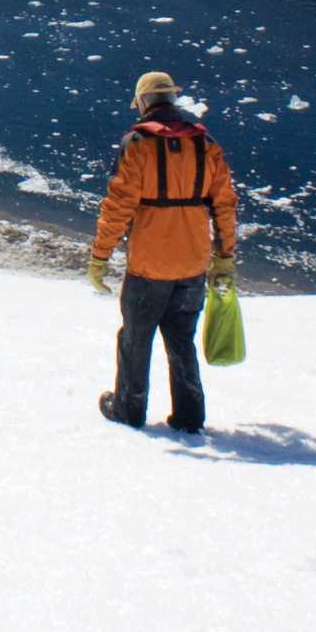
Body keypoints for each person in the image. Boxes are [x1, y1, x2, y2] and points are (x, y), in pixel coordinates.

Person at [87, 70, 238, 432]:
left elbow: (118, 207)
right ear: (172, 100)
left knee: (135, 338)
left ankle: (128, 408)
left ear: (141, 103)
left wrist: (100, 257)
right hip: (192, 262)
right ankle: (189, 416)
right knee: (181, 339)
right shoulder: (205, 144)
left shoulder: (137, 144)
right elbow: (225, 204)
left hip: (149, 264)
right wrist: (224, 256)